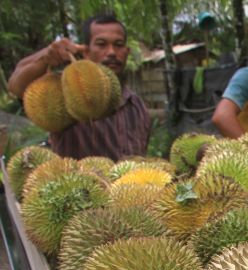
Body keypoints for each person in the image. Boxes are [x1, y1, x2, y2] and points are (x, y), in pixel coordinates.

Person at [8, 14, 151, 161]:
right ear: (86, 51)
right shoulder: (66, 91)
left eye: (119, 44)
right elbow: (16, 86)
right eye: (101, 44)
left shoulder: (137, 106)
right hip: (78, 183)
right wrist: (45, 57)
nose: (112, 52)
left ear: (127, 52)